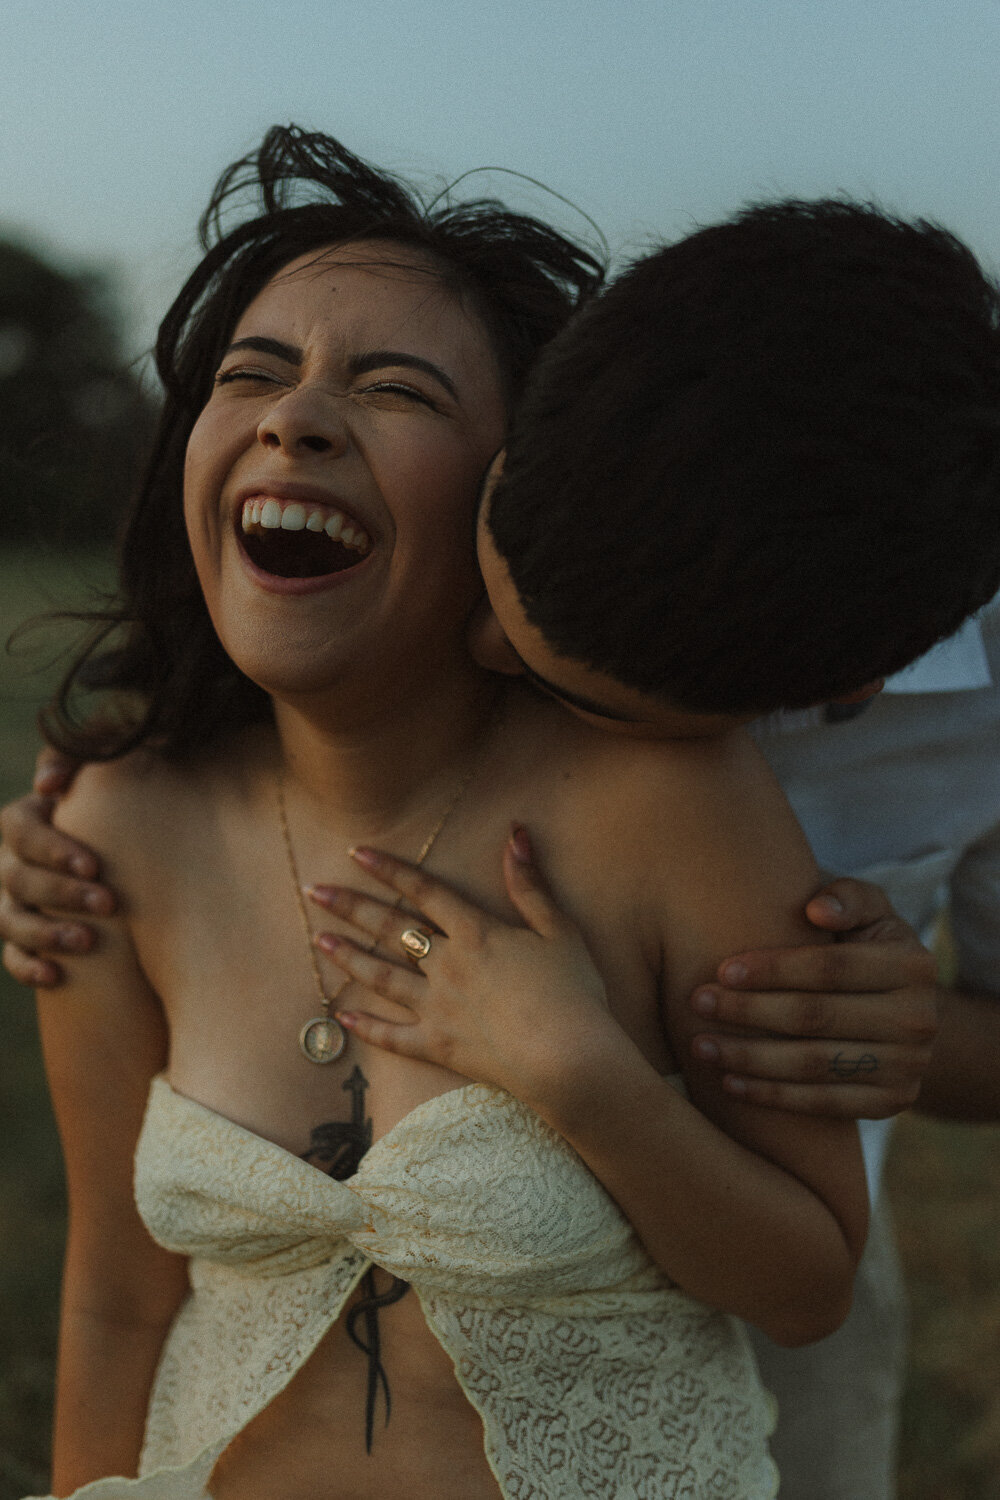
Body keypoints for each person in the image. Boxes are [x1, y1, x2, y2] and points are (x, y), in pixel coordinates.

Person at [7, 188, 1000, 1500]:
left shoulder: (684, 796)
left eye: (398, 387)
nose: (294, 416)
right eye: (252, 371)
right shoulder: (113, 832)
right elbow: (116, 1298)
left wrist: (580, 1064)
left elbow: (806, 1279)